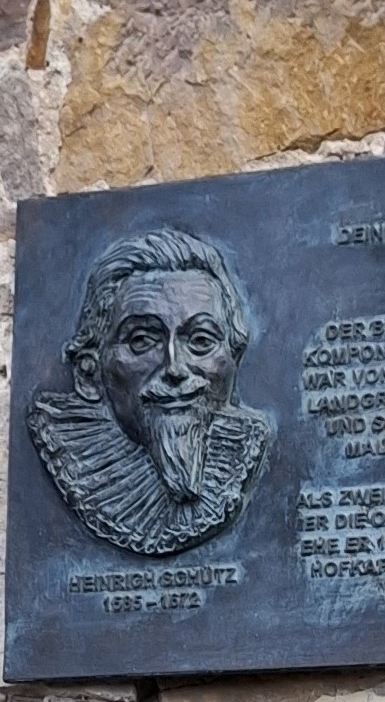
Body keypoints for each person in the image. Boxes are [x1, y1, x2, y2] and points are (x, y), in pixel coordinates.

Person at [29, 226, 273, 556]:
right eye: (142, 341)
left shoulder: (243, 448)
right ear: (89, 372)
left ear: (234, 359)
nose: (175, 367)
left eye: (201, 341)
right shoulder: (76, 458)